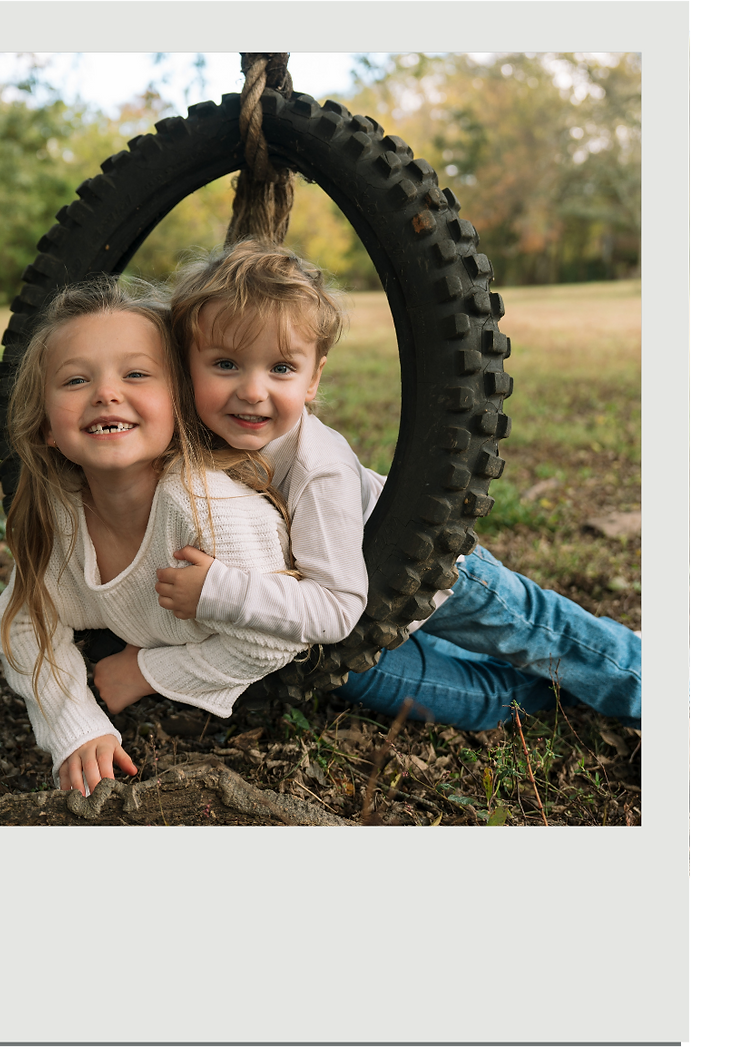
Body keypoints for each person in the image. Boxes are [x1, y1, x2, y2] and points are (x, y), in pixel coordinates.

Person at [156, 240, 641, 732]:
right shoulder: (191, 440)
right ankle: (567, 689)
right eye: (226, 364)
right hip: (356, 615)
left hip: (429, 568)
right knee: (480, 697)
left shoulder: (320, 467)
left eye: (281, 368)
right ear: (184, 365)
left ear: (312, 379)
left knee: (540, 633)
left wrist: (218, 591)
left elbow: (335, 604)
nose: (253, 390)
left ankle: (657, 681)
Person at [0, 276, 301, 796]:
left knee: (488, 667)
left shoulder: (206, 507)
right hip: (276, 667)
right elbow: (23, 622)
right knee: (485, 695)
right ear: (46, 424)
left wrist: (145, 670)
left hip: (369, 630)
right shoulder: (63, 516)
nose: (107, 393)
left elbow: (278, 636)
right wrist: (76, 725)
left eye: (136, 373)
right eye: (74, 381)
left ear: (181, 403)